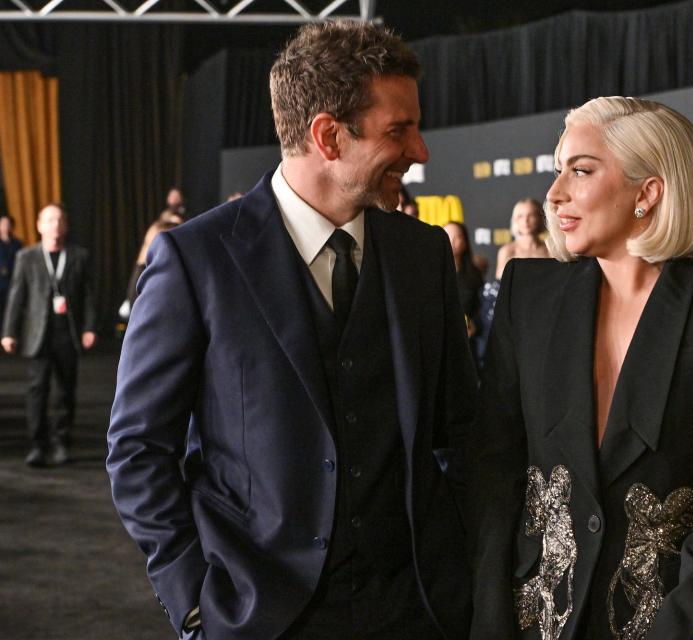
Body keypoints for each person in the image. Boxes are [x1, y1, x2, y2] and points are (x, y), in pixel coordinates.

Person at [106, 21, 477, 640]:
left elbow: (461, 429)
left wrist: (462, 567)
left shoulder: (424, 253)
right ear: (328, 136)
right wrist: (194, 599)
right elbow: (138, 449)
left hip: (417, 612)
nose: (421, 152)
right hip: (258, 616)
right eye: (399, 130)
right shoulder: (195, 261)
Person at [468, 97, 693, 640]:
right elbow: (495, 467)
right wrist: (490, 615)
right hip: (536, 618)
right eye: (557, 170)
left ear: (648, 192)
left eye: (581, 170)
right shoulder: (529, 294)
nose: (555, 193)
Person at [2, 204, 97, 467]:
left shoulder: (79, 256)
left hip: (67, 333)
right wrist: (9, 332)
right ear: (39, 225)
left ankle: (62, 442)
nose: (55, 224)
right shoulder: (27, 256)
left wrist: (90, 327)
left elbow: (88, 295)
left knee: (66, 391)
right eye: (49, 219)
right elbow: (16, 297)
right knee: (37, 391)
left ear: (65, 225)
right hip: (38, 335)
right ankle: (37, 444)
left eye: (59, 219)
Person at [444, 221, 484, 358]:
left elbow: (482, 308)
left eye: (457, 237)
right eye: (447, 236)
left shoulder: (474, 274)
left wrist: (474, 324)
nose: (452, 241)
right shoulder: (430, 274)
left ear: (465, 242)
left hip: (468, 343)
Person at [495, 198, 549, 279]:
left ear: (540, 218)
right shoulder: (507, 251)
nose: (525, 220)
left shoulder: (550, 250)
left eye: (531, 215)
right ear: (515, 220)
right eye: (520, 216)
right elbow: (500, 284)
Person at [0, 213, 23, 323]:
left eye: (8, 224)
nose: (5, 226)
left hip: (13, 280)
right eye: (3, 223)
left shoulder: (17, 243)